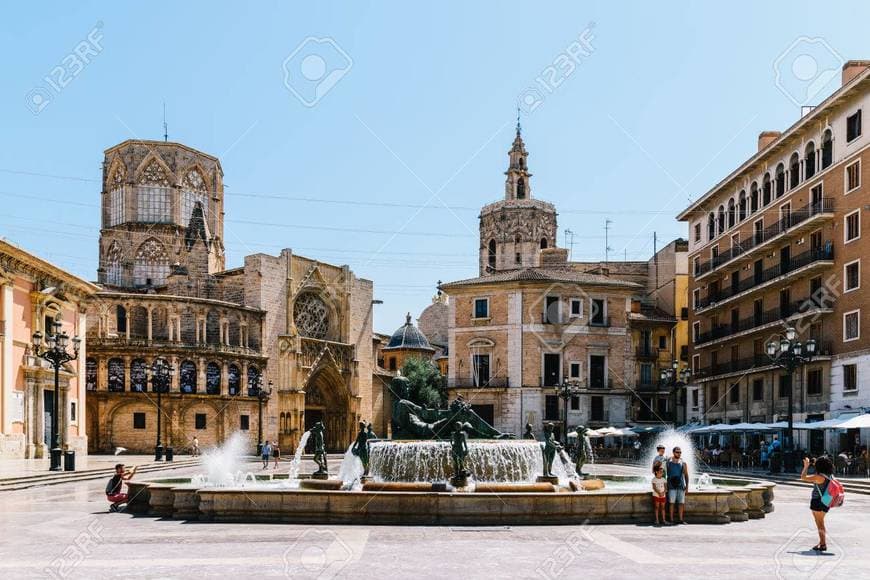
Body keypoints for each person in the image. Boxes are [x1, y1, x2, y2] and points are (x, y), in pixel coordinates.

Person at [801, 456, 835, 552]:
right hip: (826, 501)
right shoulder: (830, 475)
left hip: (817, 501)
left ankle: (823, 544)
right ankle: (821, 542)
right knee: (820, 523)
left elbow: (803, 477)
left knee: (819, 523)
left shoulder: (818, 477)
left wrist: (806, 466)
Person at [666, 446, 690, 524]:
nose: (679, 453)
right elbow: (663, 473)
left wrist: (687, 487)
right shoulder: (668, 462)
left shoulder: (683, 463)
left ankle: (681, 519)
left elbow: (686, 475)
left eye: (680, 452)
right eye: (677, 452)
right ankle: (671, 519)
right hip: (671, 485)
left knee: (681, 503)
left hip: (681, 485)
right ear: (673, 452)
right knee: (671, 503)